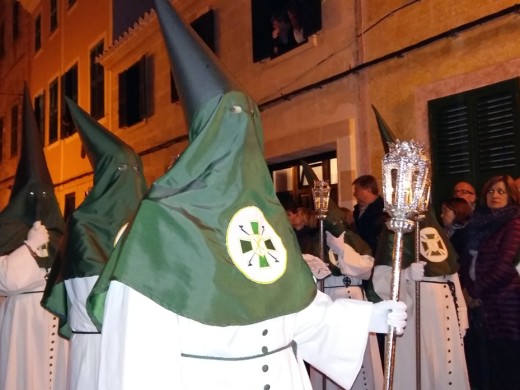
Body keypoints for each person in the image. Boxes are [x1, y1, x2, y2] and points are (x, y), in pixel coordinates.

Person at [87, 1, 407, 389]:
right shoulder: (160, 223)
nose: (239, 140)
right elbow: (134, 354)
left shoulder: (265, 218)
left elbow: (296, 308)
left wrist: (364, 318)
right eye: (226, 125)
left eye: (247, 124)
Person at [42, 98, 148, 390]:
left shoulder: (149, 221)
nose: (133, 180)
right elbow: (89, 298)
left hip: (140, 347)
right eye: (124, 171)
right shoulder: (84, 224)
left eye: (136, 170)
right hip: (96, 349)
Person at [0, 85, 68, 390]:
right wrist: (28, 247)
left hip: (52, 328)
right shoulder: (10, 232)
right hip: (21, 330)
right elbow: (8, 280)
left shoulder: (59, 234)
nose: (39, 201)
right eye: (32, 196)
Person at [373, 207, 470, 390]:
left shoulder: (437, 231)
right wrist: (405, 274)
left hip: (446, 310)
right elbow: (380, 278)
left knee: (446, 367)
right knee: (419, 370)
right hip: (416, 311)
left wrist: (462, 314)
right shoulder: (394, 231)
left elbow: (452, 274)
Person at [459, 175, 520, 390]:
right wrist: (465, 289)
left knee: (509, 368)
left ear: (511, 196)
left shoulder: (514, 224)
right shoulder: (477, 222)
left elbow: (506, 267)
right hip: (481, 306)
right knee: (485, 367)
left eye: (501, 191)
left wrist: (474, 292)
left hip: (505, 306)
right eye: (491, 191)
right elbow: (466, 260)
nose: (495, 195)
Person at [352, 175, 385, 255]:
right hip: (361, 254)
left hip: (375, 254)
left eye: (357, 189)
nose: (354, 193)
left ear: (368, 190)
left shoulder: (383, 209)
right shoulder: (358, 210)